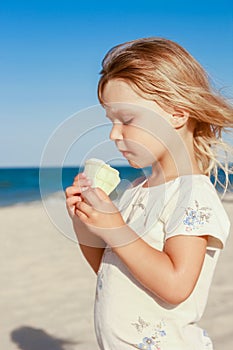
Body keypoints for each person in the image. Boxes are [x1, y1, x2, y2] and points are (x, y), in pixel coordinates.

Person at [65, 38, 233, 349]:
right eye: (111, 122)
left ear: (177, 114)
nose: (114, 134)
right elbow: (110, 270)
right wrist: (85, 223)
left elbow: (176, 285)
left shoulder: (192, 193)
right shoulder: (136, 190)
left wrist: (116, 229)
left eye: (127, 120)